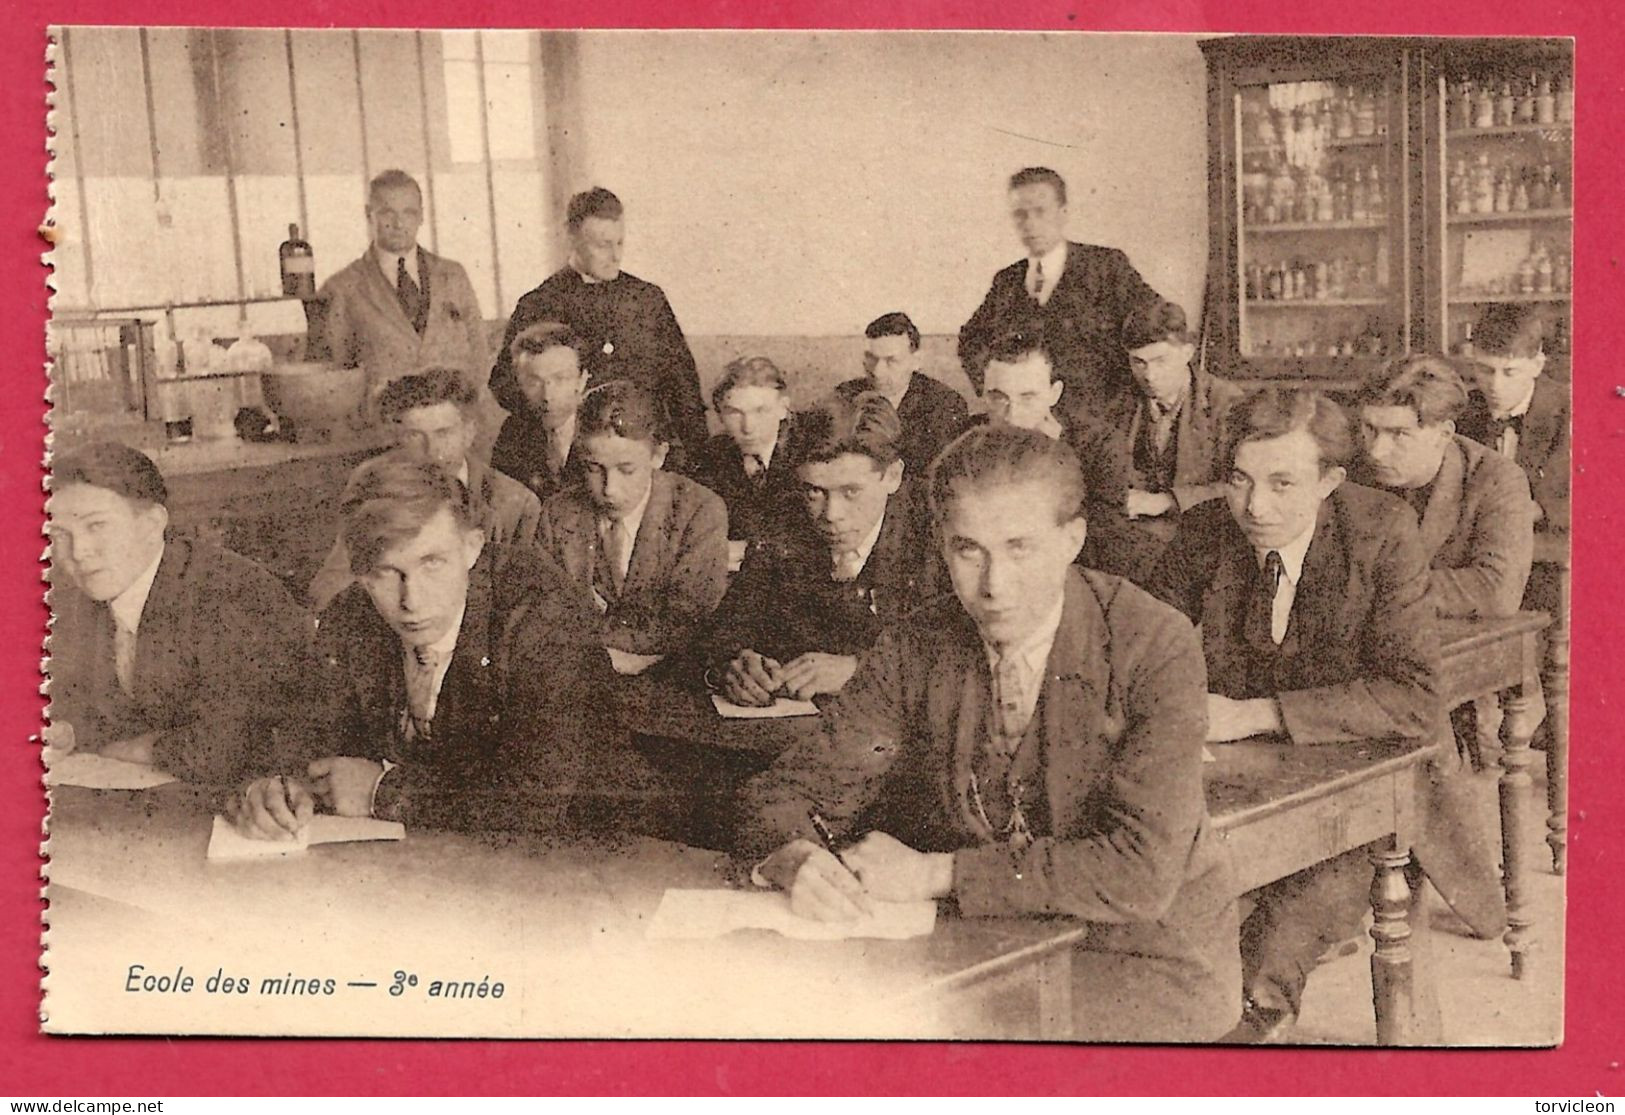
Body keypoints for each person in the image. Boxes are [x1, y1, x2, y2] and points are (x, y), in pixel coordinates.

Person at [738, 424, 1240, 1042]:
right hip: (978, 944)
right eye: (968, 550)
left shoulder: (1153, 642)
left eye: (1021, 547)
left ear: (1072, 539)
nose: (994, 584)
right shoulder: (917, 643)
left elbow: (1140, 871)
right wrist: (796, 857)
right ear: (941, 546)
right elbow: (783, 793)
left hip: (1140, 956)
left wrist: (937, 873)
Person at [1147, 389, 1505, 1042]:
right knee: (1161, 918)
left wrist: (1251, 712)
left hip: (1366, 792)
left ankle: (1247, 1047)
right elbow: (1142, 643)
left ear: (1329, 480)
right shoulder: (1205, 530)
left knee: (1271, 945)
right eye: (1238, 479)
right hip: (1249, 783)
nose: (1254, 506)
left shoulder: (1381, 533)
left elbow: (1412, 698)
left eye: (1282, 483)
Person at [228, 456, 640, 839]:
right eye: (386, 573)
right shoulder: (351, 616)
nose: (412, 601)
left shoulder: (544, 616)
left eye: (432, 564)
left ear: (472, 547)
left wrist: (382, 791)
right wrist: (275, 789)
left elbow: (534, 801)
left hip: (572, 856)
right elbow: (307, 739)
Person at [48, 442, 315, 787]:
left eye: (97, 527)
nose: (79, 552)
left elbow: (226, 746)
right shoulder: (83, 597)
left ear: (152, 524)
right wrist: (69, 732)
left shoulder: (230, 593)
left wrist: (138, 749)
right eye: (59, 535)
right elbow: (102, 707)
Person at [699, 390, 939, 707]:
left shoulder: (936, 535)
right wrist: (734, 664)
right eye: (814, 491)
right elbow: (729, 626)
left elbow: (966, 656)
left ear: (892, 476)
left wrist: (861, 668)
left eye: (851, 491)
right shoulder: (784, 518)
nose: (831, 514)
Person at [489, 187, 709, 468]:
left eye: (620, 243)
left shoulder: (647, 299)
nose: (615, 256)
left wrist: (700, 460)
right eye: (603, 245)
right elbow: (504, 384)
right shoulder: (539, 303)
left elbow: (683, 388)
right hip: (571, 458)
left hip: (644, 453)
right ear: (572, 239)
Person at [308, 369, 542, 610]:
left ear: (469, 433)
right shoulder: (372, 483)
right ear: (397, 438)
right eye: (415, 436)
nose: (433, 450)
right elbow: (334, 578)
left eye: (444, 433)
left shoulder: (515, 503)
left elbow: (526, 597)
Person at [537, 380, 729, 657]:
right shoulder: (557, 515)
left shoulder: (699, 511)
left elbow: (687, 623)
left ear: (659, 455)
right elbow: (542, 617)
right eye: (593, 468)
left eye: (626, 469)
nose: (609, 489)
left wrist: (590, 637)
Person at [958, 166, 1162, 401]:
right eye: (1020, 214)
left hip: (1099, 421)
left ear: (1063, 213)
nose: (1030, 224)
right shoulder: (1007, 280)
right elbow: (971, 341)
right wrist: (1000, 393)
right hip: (1028, 422)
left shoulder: (1106, 267)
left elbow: (1157, 327)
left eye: (1040, 211)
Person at [1355, 356, 1534, 618]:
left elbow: (1497, 591)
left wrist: (1378, 588)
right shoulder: (1347, 465)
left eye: (1399, 434)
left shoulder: (1497, 478)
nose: (1377, 451)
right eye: (1370, 429)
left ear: (1445, 434)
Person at [976, 330, 1160, 581]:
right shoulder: (963, 443)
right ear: (984, 394)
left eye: (1027, 397)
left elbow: (1106, 543)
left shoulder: (1099, 445)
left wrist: (1052, 460)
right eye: (998, 398)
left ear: (1054, 393)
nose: (1012, 415)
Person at [1072, 299, 1242, 560]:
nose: (1149, 375)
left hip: (1204, 538)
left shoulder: (1226, 403)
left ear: (1187, 352)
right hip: (1134, 540)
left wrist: (1168, 501)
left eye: (1160, 360)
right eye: (1138, 362)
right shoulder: (1116, 403)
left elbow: (1239, 486)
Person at [312, 169, 491, 412]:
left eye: (409, 213)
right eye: (387, 213)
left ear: (421, 217)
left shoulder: (453, 275)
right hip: (380, 431)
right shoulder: (341, 288)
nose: (398, 224)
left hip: (451, 427)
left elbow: (479, 354)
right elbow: (332, 376)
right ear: (369, 215)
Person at [1457, 304, 1569, 538]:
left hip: (1551, 549)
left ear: (1537, 365)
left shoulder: (1574, 412)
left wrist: (1540, 510)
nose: (1496, 386)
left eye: (1510, 372)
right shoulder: (1460, 410)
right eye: (1485, 370)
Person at [836, 312, 968, 478]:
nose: (878, 371)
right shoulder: (844, 396)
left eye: (891, 361)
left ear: (916, 361)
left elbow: (937, 480)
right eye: (871, 359)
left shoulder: (945, 405)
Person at [691, 356, 803, 548]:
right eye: (735, 413)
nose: (748, 427)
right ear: (719, 415)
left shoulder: (807, 454)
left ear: (783, 408)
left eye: (760, 411)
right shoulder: (709, 458)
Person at [489, 321, 591, 505]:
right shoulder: (513, 434)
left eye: (560, 379)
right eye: (534, 382)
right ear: (519, 383)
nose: (547, 395)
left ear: (581, 381)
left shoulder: (600, 428)